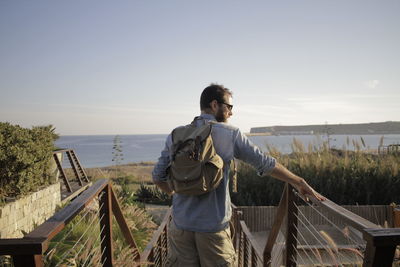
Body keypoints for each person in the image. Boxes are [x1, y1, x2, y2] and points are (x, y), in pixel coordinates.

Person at [152, 83, 324, 267]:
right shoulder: (229, 134)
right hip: (213, 230)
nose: (231, 113)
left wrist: (176, 193)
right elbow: (264, 163)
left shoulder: (177, 134)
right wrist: (299, 181)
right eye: (229, 107)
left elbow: (158, 176)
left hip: (180, 227)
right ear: (215, 105)